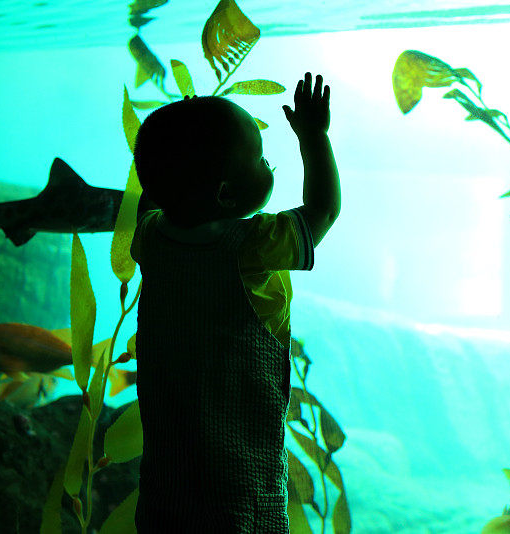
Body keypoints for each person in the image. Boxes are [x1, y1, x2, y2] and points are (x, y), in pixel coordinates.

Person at [129, 72, 339, 533]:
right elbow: (322, 211)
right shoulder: (254, 246)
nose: (270, 167)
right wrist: (313, 138)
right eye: (262, 160)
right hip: (240, 491)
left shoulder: (150, 238)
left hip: (165, 490)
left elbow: (153, 197)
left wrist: (175, 149)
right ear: (226, 194)